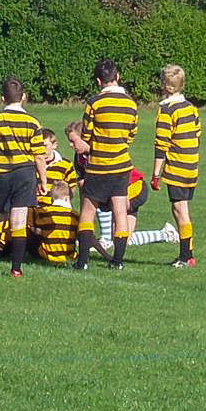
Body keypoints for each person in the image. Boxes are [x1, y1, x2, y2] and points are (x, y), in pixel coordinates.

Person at [0, 75, 49, 277]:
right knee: (19, 221)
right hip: (24, 175)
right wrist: (43, 180)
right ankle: (16, 269)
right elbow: (39, 156)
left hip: (1, 175)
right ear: (23, 96)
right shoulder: (32, 122)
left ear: (2, 98)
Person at [74, 58, 138, 270]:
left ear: (98, 81)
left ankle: (82, 262)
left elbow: (87, 134)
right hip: (121, 165)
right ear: (117, 77)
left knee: (87, 211)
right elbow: (131, 135)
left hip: (98, 166)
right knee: (120, 212)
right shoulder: (131, 103)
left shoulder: (94, 103)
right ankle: (118, 261)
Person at [151, 64, 202, 267]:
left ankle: (185, 256)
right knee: (181, 209)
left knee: (180, 210)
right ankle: (187, 253)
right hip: (192, 166)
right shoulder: (191, 107)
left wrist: (156, 175)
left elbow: (161, 144)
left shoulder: (167, 110)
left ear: (165, 85)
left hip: (177, 167)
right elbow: (197, 133)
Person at [29, 180, 78, 265]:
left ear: (51, 198)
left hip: (46, 255)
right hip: (68, 255)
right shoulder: (75, 215)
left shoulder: (43, 212)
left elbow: (32, 227)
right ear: (67, 198)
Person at [39, 128, 78, 202]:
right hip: (35, 209)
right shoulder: (30, 164)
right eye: (38, 146)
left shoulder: (65, 165)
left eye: (45, 146)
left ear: (54, 145)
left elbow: (72, 187)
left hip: (57, 208)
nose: (42, 150)